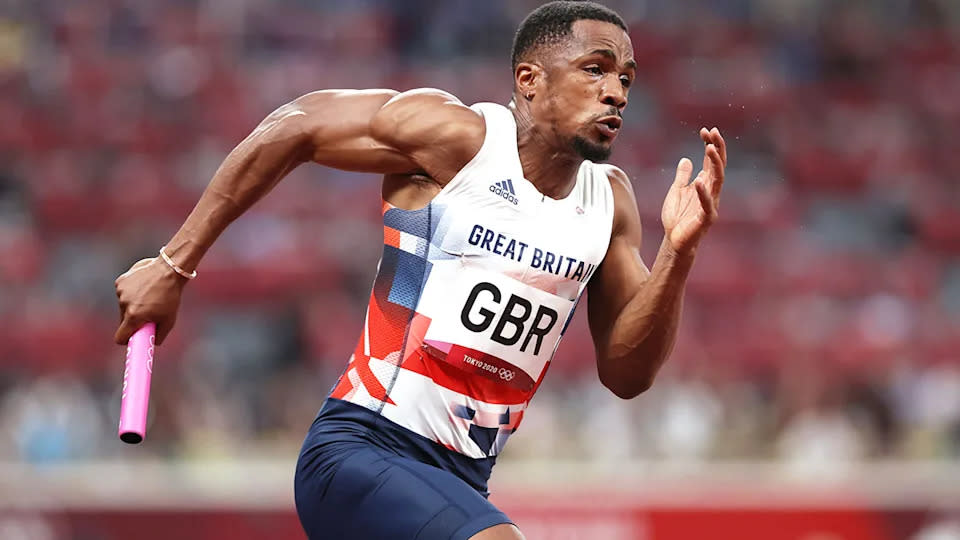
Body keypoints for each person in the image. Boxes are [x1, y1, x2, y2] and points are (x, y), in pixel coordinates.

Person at [113, 1, 727, 538]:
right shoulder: (456, 138)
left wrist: (678, 254)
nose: (616, 90)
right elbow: (296, 125)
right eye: (595, 69)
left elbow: (627, 373)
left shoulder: (609, 204)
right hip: (359, 451)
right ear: (530, 80)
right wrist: (174, 263)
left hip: (460, 485)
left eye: (626, 77)